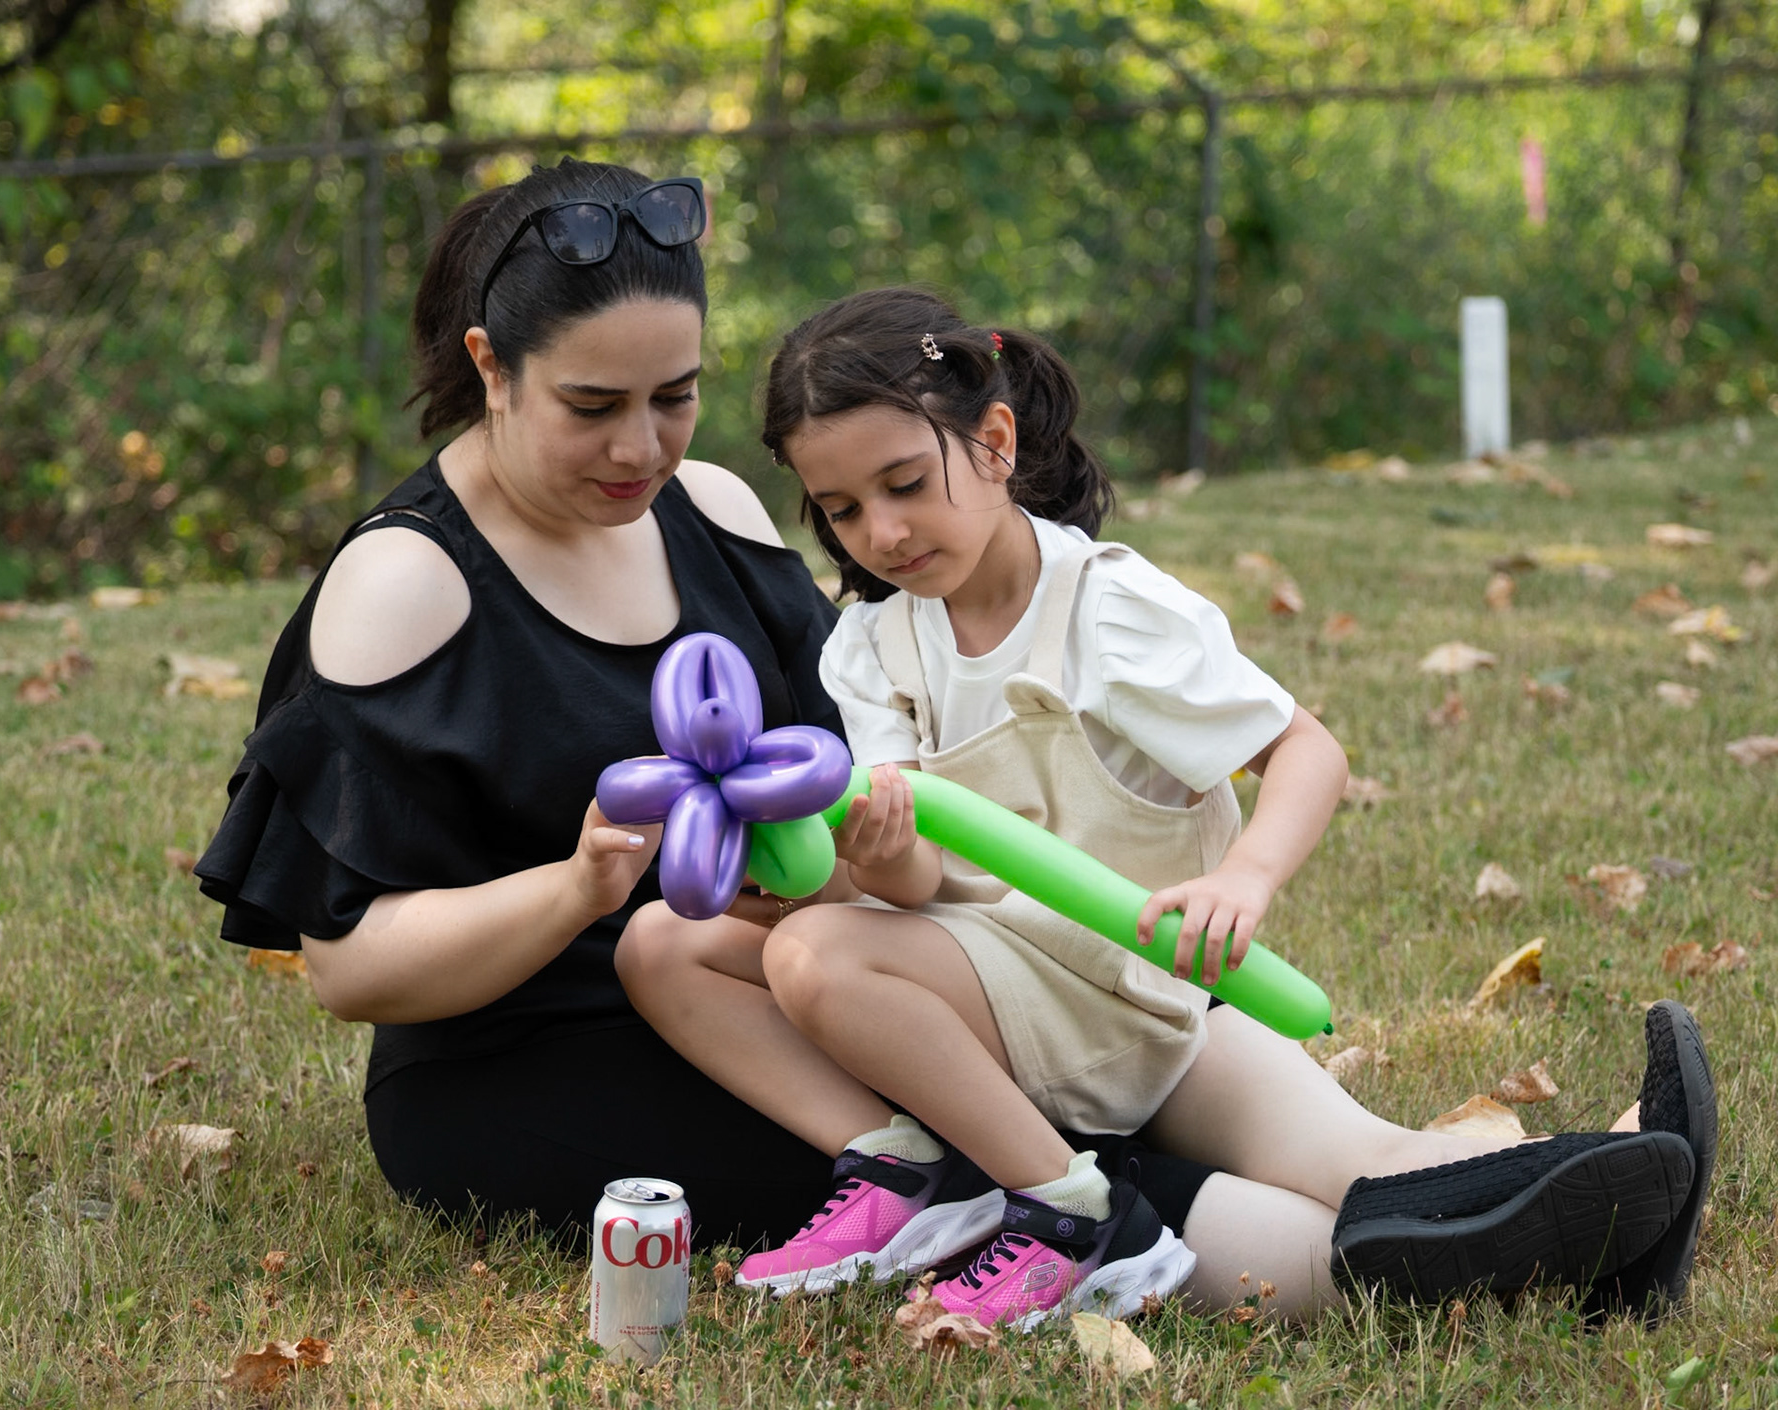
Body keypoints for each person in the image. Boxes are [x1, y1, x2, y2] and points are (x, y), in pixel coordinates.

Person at [613, 287, 1714, 1327]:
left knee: (1372, 1169)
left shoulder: (1109, 610)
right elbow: (919, 885)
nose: (883, 533)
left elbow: (1306, 751)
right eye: (844, 509)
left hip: (1121, 990)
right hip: (996, 998)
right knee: (674, 940)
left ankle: (1629, 1177)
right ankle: (955, 1175)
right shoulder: (873, 643)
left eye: (905, 483)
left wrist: (1245, 879)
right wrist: (880, 854)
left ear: (995, 444)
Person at [194, 157, 848, 1243]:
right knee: (936, 1157)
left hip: (761, 992)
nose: (641, 447)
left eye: (675, 396)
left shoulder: (717, 513)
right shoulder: (404, 587)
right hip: (533, 1059)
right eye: (592, 405)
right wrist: (577, 888)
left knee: (1044, 1078)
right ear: (491, 367)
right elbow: (349, 968)